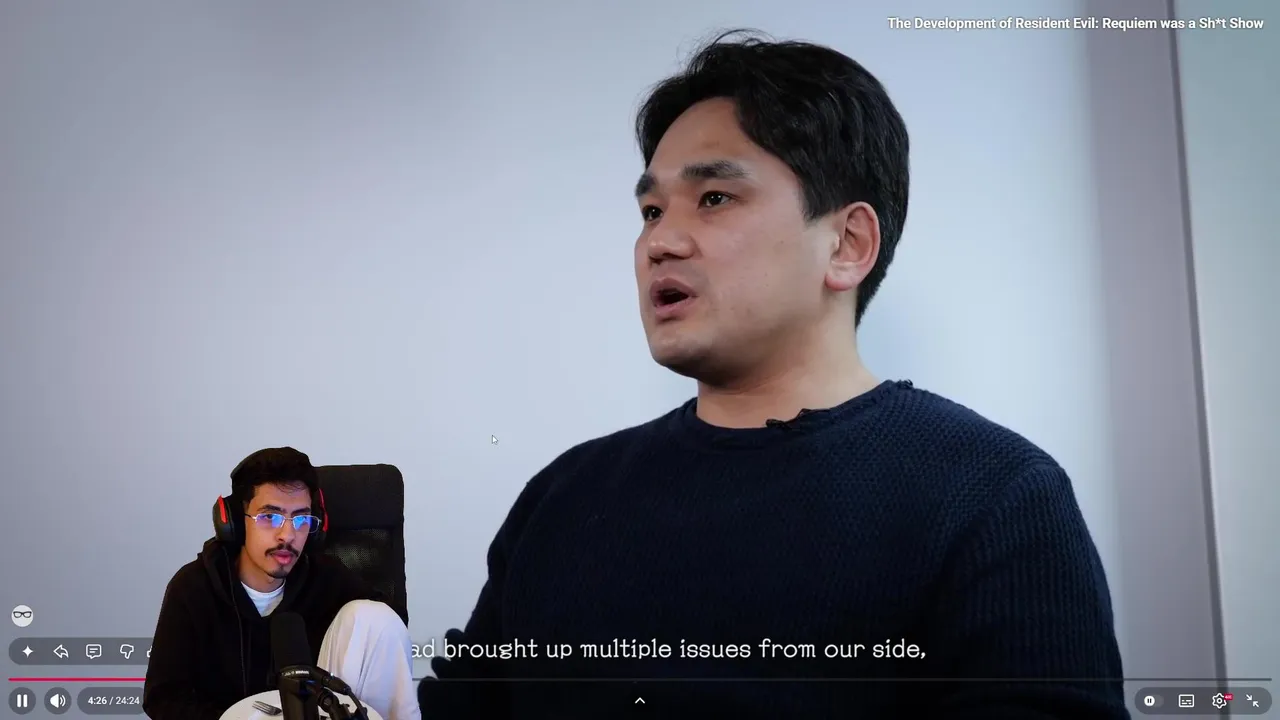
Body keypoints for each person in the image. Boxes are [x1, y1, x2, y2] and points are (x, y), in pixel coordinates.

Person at [420, 30, 1129, 719]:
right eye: (651, 210)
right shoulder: (564, 498)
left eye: (714, 198)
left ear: (847, 244)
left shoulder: (994, 496)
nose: (659, 241)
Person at [143, 447, 420, 720]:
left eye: (301, 518)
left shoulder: (325, 577)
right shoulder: (192, 588)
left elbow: (389, 630)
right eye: (269, 517)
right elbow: (163, 698)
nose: (287, 535)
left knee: (375, 616)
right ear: (236, 522)